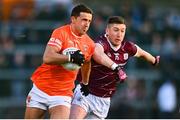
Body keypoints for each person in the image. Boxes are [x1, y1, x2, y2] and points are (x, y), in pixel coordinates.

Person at [70, 16, 160, 119]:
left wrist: (154, 60)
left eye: (122, 31)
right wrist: (116, 68)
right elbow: (97, 53)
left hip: (104, 100)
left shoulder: (127, 47)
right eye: (116, 30)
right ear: (107, 30)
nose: (119, 34)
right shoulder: (101, 42)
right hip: (85, 92)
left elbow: (142, 53)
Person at [24, 4, 95, 119]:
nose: (87, 24)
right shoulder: (61, 33)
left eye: (89, 21)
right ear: (73, 19)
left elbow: (87, 62)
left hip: (63, 94)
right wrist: (70, 58)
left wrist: (85, 83)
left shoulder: (89, 44)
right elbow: (47, 57)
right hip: (41, 88)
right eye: (84, 20)